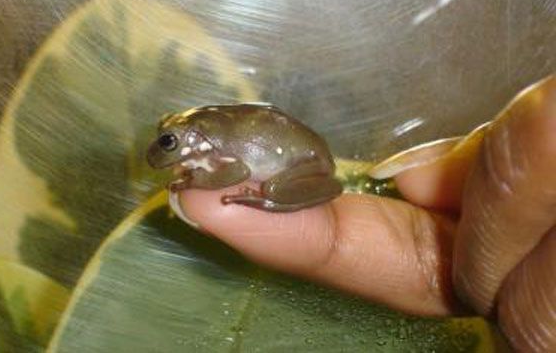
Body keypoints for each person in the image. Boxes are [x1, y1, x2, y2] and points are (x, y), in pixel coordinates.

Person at [175, 75, 555, 352]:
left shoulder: (215, 142)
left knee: (270, 189)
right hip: (303, 159)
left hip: (299, 169)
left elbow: (239, 172)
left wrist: (214, 182)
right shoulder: (213, 132)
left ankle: (272, 199)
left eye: (169, 143)